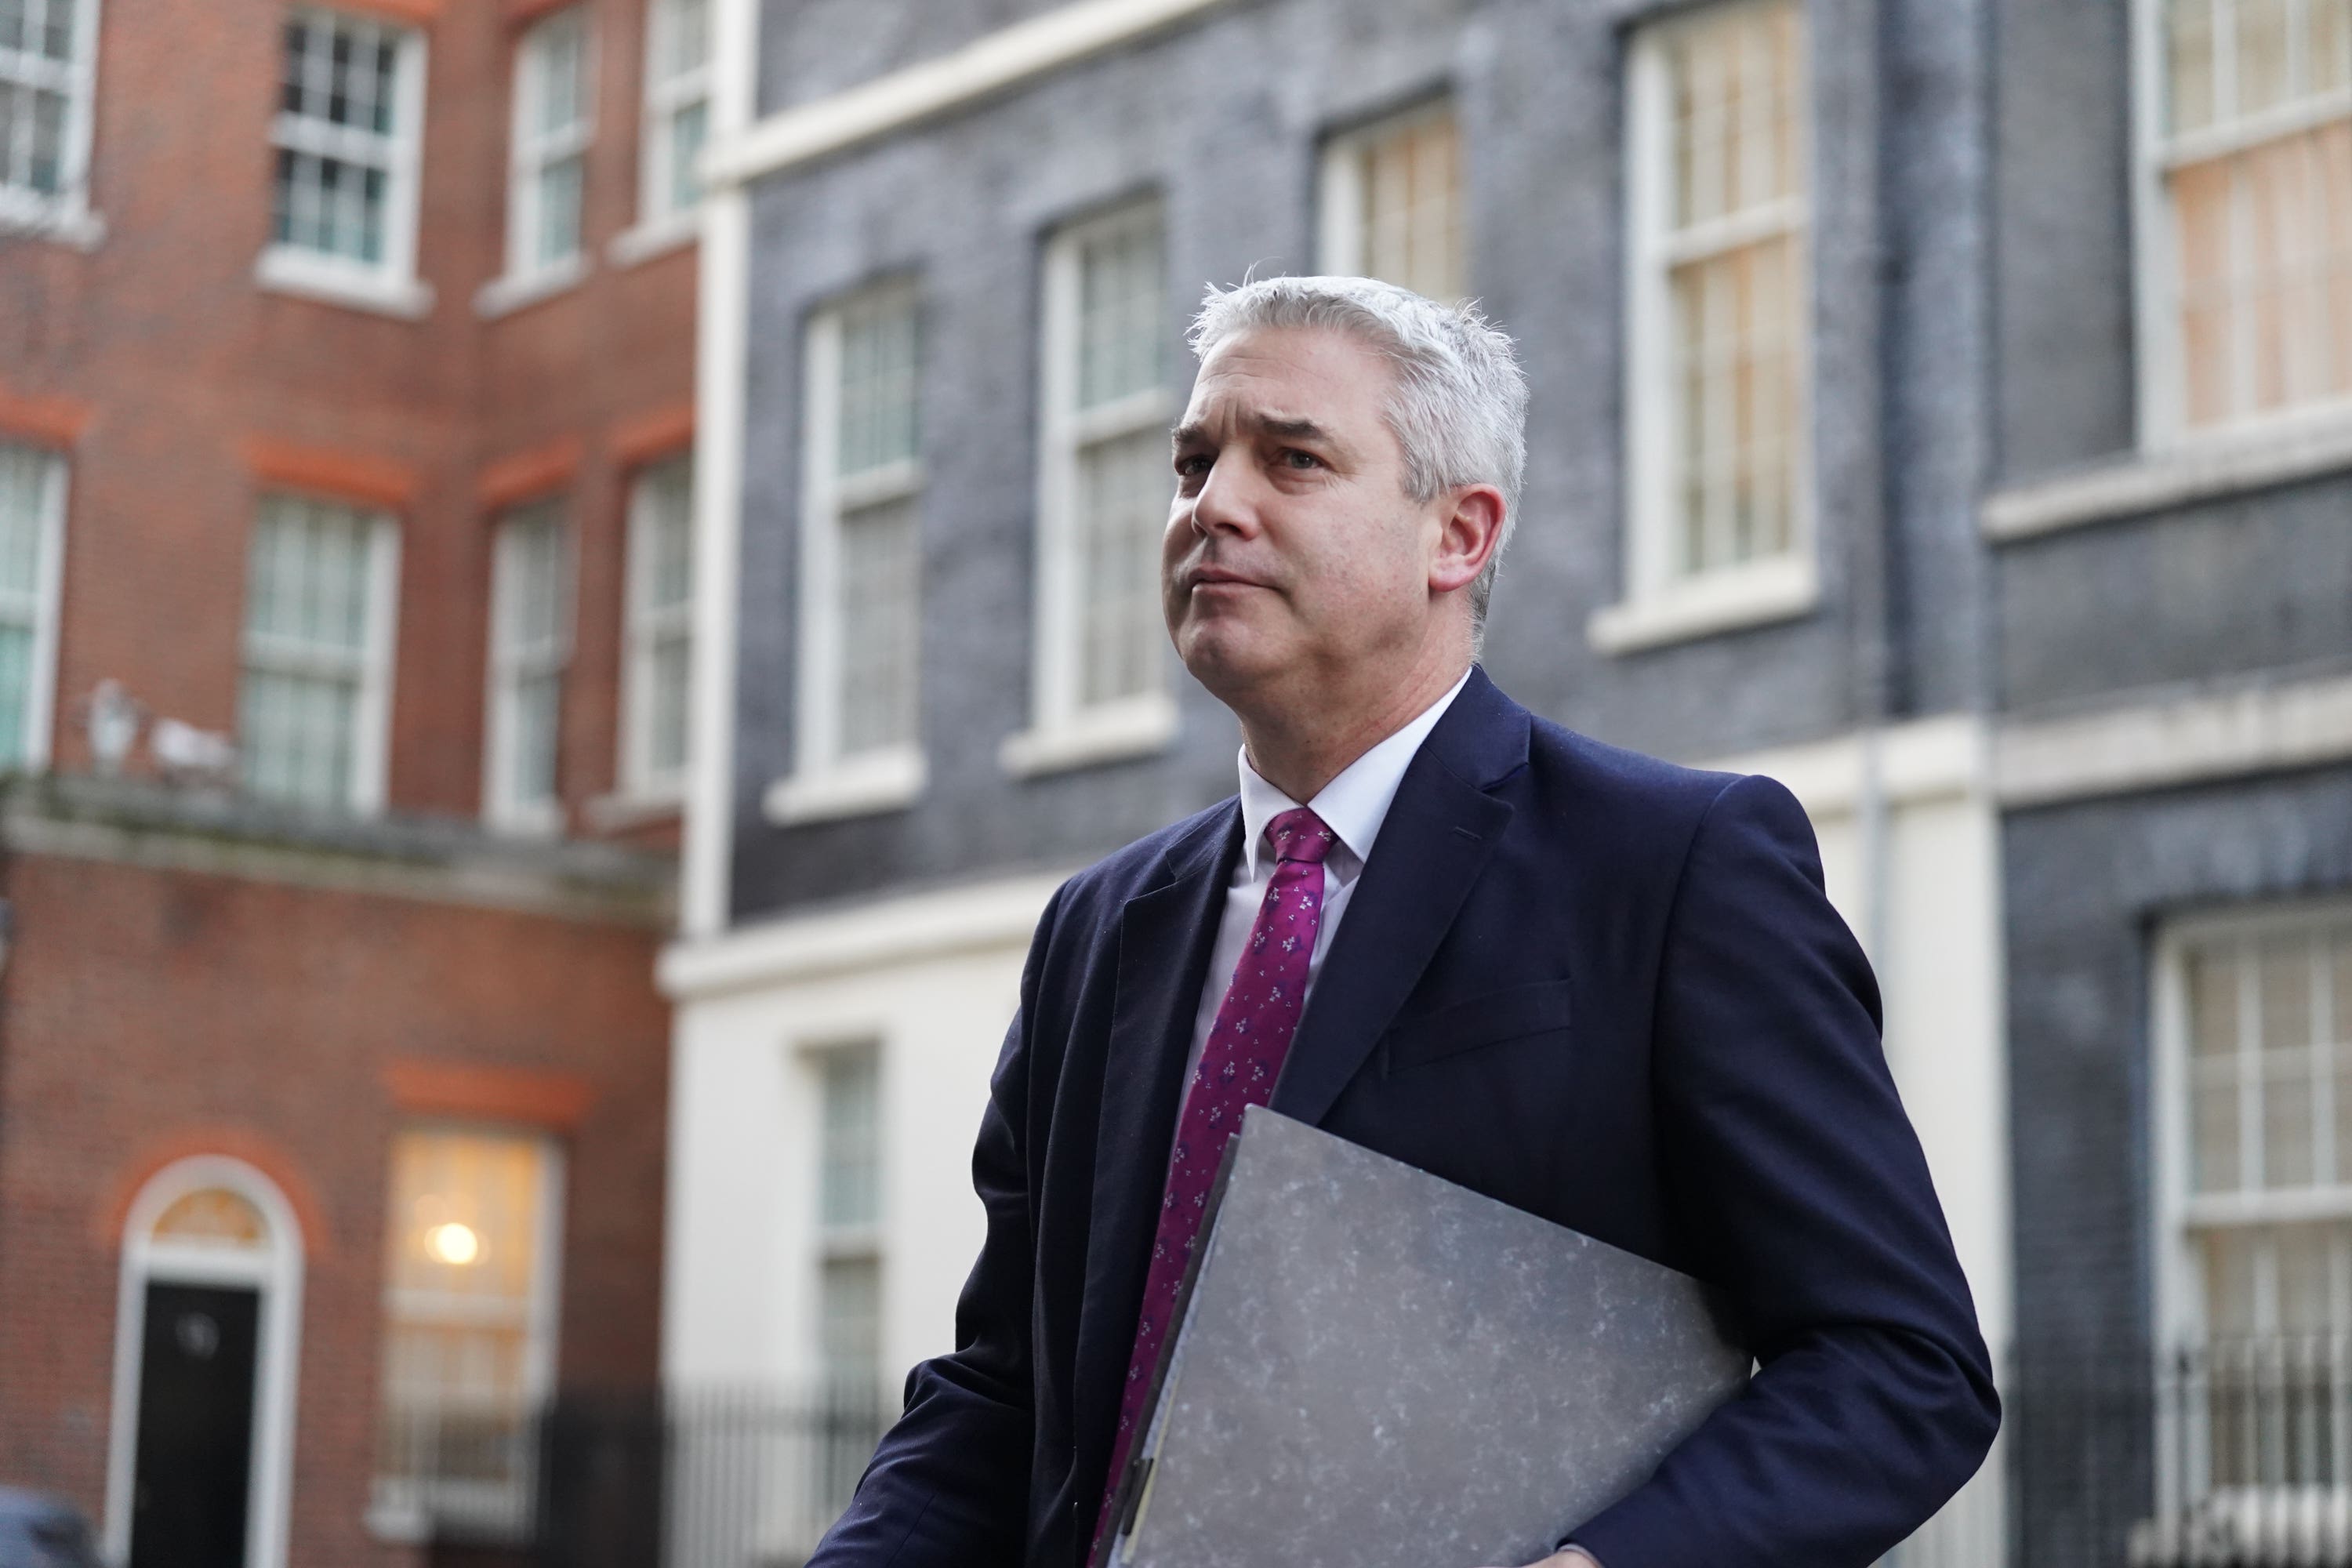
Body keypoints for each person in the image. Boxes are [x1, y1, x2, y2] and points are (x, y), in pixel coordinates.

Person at [806, 276, 1999, 1568]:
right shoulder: (1097, 931)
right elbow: (1005, 1391)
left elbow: (1901, 1364)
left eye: (1293, 459)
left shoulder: (1678, 869)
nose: (1213, 505)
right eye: (1194, 462)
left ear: (1460, 536)